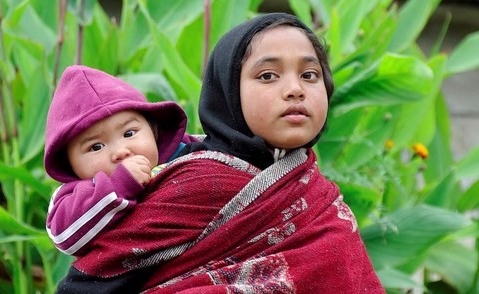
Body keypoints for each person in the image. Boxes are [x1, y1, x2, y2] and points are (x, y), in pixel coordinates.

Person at [56, 13, 385, 293]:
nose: (295, 89)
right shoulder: (195, 185)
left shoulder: (314, 192)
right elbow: (92, 280)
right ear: (227, 90)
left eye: (309, 75)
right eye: (268, 75)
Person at [44, 65, 196, 256]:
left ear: (154, 130)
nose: (121, 151)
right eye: (96, 147)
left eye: (129, 133)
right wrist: (119, 185)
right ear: (68, 162)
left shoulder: (187, 151)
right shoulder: (73, 197)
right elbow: (64, 237)